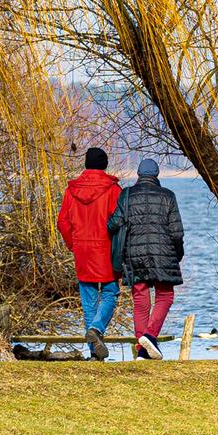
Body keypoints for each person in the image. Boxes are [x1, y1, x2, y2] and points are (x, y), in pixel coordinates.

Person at [108, 158, 185, 359]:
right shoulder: (168, 195)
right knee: (165, 296)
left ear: (139, 175)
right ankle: (150, 336)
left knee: (140, 300)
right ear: (156, 175)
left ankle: (142, 350)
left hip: (134, 254)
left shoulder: (126, 195)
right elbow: (176, 232)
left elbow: (113, 224)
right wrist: (178, 253)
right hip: (163, 253)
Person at [57, 147, 122, 360]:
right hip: (106, 249)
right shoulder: (113, 190)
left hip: (82, 250)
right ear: (104, 165)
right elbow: (119, 222)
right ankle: (96, 328)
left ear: (86, 164)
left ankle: (95, 354)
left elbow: (63, 222)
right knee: (111, 292)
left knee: (88, 301)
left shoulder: (71, 190)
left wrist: (73, 244)